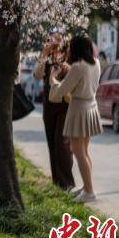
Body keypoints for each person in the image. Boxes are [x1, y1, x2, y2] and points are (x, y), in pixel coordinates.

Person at [49, 35, 103, 203]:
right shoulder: (96, 62)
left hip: (79, 109)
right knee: (84, 152)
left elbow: (62, 90)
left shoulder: (78, 67)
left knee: (78, 153)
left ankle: (89, 192)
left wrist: (53, 79)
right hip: (91, 107)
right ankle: (87, 187)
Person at [34, 35, 75, 191]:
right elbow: (37, 75)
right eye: (50, 41)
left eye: (56, 41)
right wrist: (44, 55)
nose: (52, 44)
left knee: (62, 144)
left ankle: (67, 184)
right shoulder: (47, 59)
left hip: (65, 104)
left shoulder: (69, 59)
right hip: (49, 104)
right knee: (52, 142)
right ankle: (57, 182)